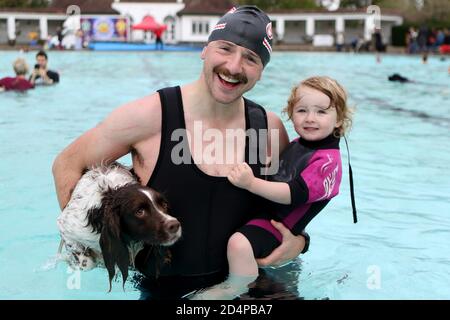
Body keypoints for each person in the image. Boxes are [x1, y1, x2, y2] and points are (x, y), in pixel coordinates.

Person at [52, 6, 307, 299]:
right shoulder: (149, 117)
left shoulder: (269, 130)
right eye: (225, 48)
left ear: (261, 71)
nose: (234, 67)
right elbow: (67, 164)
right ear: (205, 49)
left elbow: (294, 201)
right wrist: (88, 242)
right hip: (165, 290)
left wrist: (300, 241)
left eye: (251, 58)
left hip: (250, 287)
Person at [190, 76, 353, 300]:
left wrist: (251, 183)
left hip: (280, 225)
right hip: (268, 216)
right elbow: (283, 173)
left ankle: (238, 286)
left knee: (239, 244)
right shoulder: (300, 144)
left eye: (321, 112)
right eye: (302, 110)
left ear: (339, 120)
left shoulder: (326, 161)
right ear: (290, 113)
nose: (310, 118)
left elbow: (293, 195)